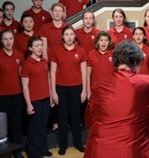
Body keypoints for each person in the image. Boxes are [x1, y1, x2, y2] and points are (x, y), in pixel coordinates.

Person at [84, 40, 149, 158]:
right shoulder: (146, 83)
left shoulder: (98, 86)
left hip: (98, 151)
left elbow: (89, 118)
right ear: (136, 61)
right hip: (133, 151)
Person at [50, 26, 87, 155]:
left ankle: (78, 143)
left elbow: (84, 72)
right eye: (66, 35)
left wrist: (84, 91)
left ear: (74, 36)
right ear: (62, 37)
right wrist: (53, 92)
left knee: (76, 117)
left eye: (71, 34)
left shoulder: (81, 51)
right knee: (62, 118)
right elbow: (53, 73)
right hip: (61, 88)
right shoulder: (56, 51)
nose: (69, 37)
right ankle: (63, 145)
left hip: (77, 88)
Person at [21, 36, 52, 158]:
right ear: (30, 48)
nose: (40, 48)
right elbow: (25, 86)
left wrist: (50, 97)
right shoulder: (27, 64)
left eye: (41, 45)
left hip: (45, 98)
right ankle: (33, 153)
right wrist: (28, 104)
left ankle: (42, 148)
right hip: (34, 101)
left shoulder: (44, 61)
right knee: (34, 127)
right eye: (37, 46)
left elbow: (48, 80)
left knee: (43, 125)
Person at [0, 30, 24, 158]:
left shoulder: (19, 55)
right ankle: (5, 152)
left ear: (14, 40)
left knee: (16, 124)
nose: (8, 42)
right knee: (4, 126)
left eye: (10, 38)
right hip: (2, 96)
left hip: (17, 95)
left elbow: (22, 76)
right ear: (1, 41)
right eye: (5, 39)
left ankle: (17, 150)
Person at [87, 31, 114, 99]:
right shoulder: (91, 54)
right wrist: (88, 90)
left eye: (106, 40)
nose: (103, 43)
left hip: (110, 89)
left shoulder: (114, 54)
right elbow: (88, 74)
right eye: (101, 40)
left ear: (109, 42)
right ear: (97, 42)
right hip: (95, 90)